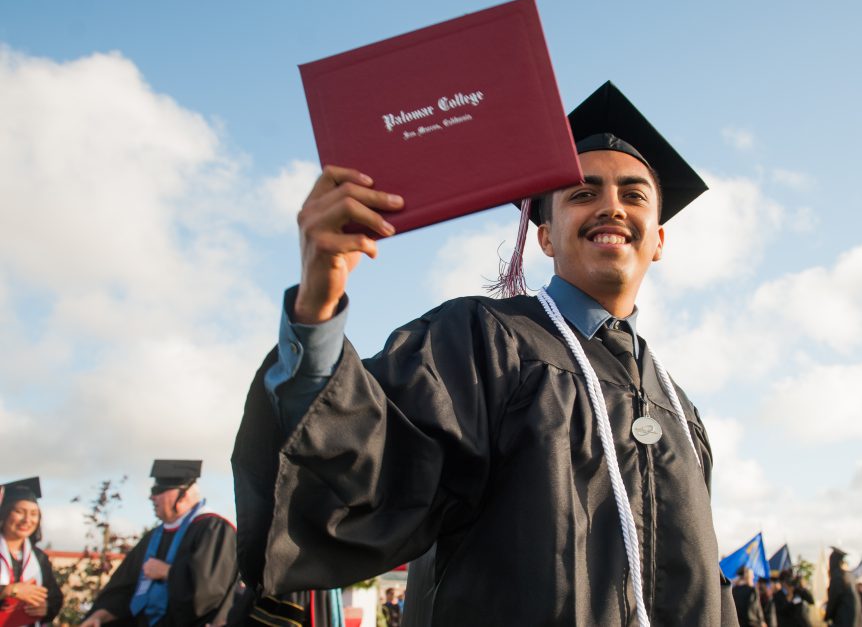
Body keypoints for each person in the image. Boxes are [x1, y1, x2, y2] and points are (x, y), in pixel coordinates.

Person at [232, 81, 738, 626]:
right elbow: (368, 468)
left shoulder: (679, 410)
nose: (612, 207)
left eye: (633, 195)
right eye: (582, 194)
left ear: (658, 240)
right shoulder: (482, 342)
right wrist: (316, 305)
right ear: (546, 237)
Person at [80, 460, 239, 627]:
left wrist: (168, 572)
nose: (151, 497)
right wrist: (100, 616)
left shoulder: (214, 530)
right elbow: (124, 588)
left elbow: (209, 593)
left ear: (183, 495)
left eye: (158, 491)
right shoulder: (153, 537)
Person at [0, 478, 63, 626]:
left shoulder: (39, 557)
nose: (27, 519)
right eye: (19, 512)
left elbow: (54, 598)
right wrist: (8, 590)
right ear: (4, 513)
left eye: (34, 514)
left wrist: (46, 608)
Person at [826, 548, 862, 627]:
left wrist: (828, 615)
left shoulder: (837, 577)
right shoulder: (847, 576)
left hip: (843, 618)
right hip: (852, 618)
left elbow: (834, 598)